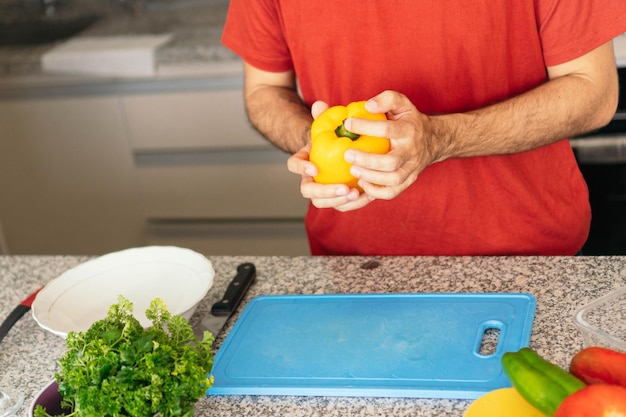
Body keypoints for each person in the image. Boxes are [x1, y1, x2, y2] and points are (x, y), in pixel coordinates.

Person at [222, 1, 626, 256]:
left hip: (529, 255)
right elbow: (264, 90)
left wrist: (440, 138)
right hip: (355, 264)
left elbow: (594, 91)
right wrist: (317, 144)